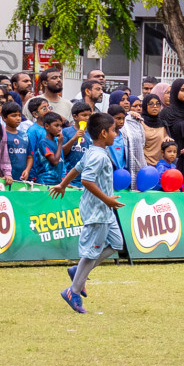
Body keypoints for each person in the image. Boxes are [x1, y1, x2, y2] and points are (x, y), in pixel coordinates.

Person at [53, 111, 124, 312]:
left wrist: (62, 185)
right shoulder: (98, 156)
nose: (116, 134)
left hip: (104, 211)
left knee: (117, 243)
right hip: (97, 211)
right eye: (113, 130)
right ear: (103, 133)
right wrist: (107, 199)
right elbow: (86, 179)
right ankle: (73, 291)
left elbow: (76, 168)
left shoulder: (94, 151)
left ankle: (79, 271)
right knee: (92, 252)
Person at [3, 103, 30, 183]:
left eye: (19, 115)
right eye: (14, 115)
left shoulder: (24, 135)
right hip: (6, 178)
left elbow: (30, 156)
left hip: (22, 178)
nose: (18, 118)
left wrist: (27, 170)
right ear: (4, 118)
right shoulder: (2, 135)